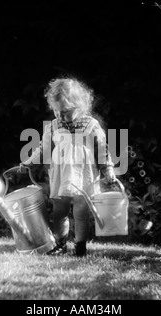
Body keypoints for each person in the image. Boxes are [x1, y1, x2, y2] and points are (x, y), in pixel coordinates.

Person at [20, 77, 116, 256]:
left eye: (65, 111)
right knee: (59, 211)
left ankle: (80, 247)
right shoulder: (54, 126)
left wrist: (108, 169)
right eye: (57, 111)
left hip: (84, 176)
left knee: (80, 212)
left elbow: (102, 150)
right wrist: (28, 162)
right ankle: (61, 244)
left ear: (79, 106)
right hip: (61, 174)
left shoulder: (91, 125)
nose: (60, 116)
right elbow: (43, 148)